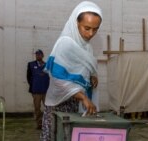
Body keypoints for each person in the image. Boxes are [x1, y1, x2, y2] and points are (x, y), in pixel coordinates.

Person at [39, 1, 102, 140]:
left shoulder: (87, 47)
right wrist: (83, 97)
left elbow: (86, 67)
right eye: (87, 28)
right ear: (76, 23)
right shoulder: (65, 43)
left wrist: (92, 74)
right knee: (56, 136)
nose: (91, 33)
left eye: (95, 29)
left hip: (75, 104)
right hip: (59, 106)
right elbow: (58, 78)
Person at [26, 49, 50, 130]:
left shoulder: (47, 65)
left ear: (42, 55)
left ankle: (47, 123)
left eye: (39, 54)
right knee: (37, 108)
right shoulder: (31, 64)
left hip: (45, 91)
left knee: (48, 108)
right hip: (36, 91)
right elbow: (28, 77)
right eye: (36, 54)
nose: (37, 56)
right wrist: (33, 85)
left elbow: (50, 77)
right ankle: (39, 123)